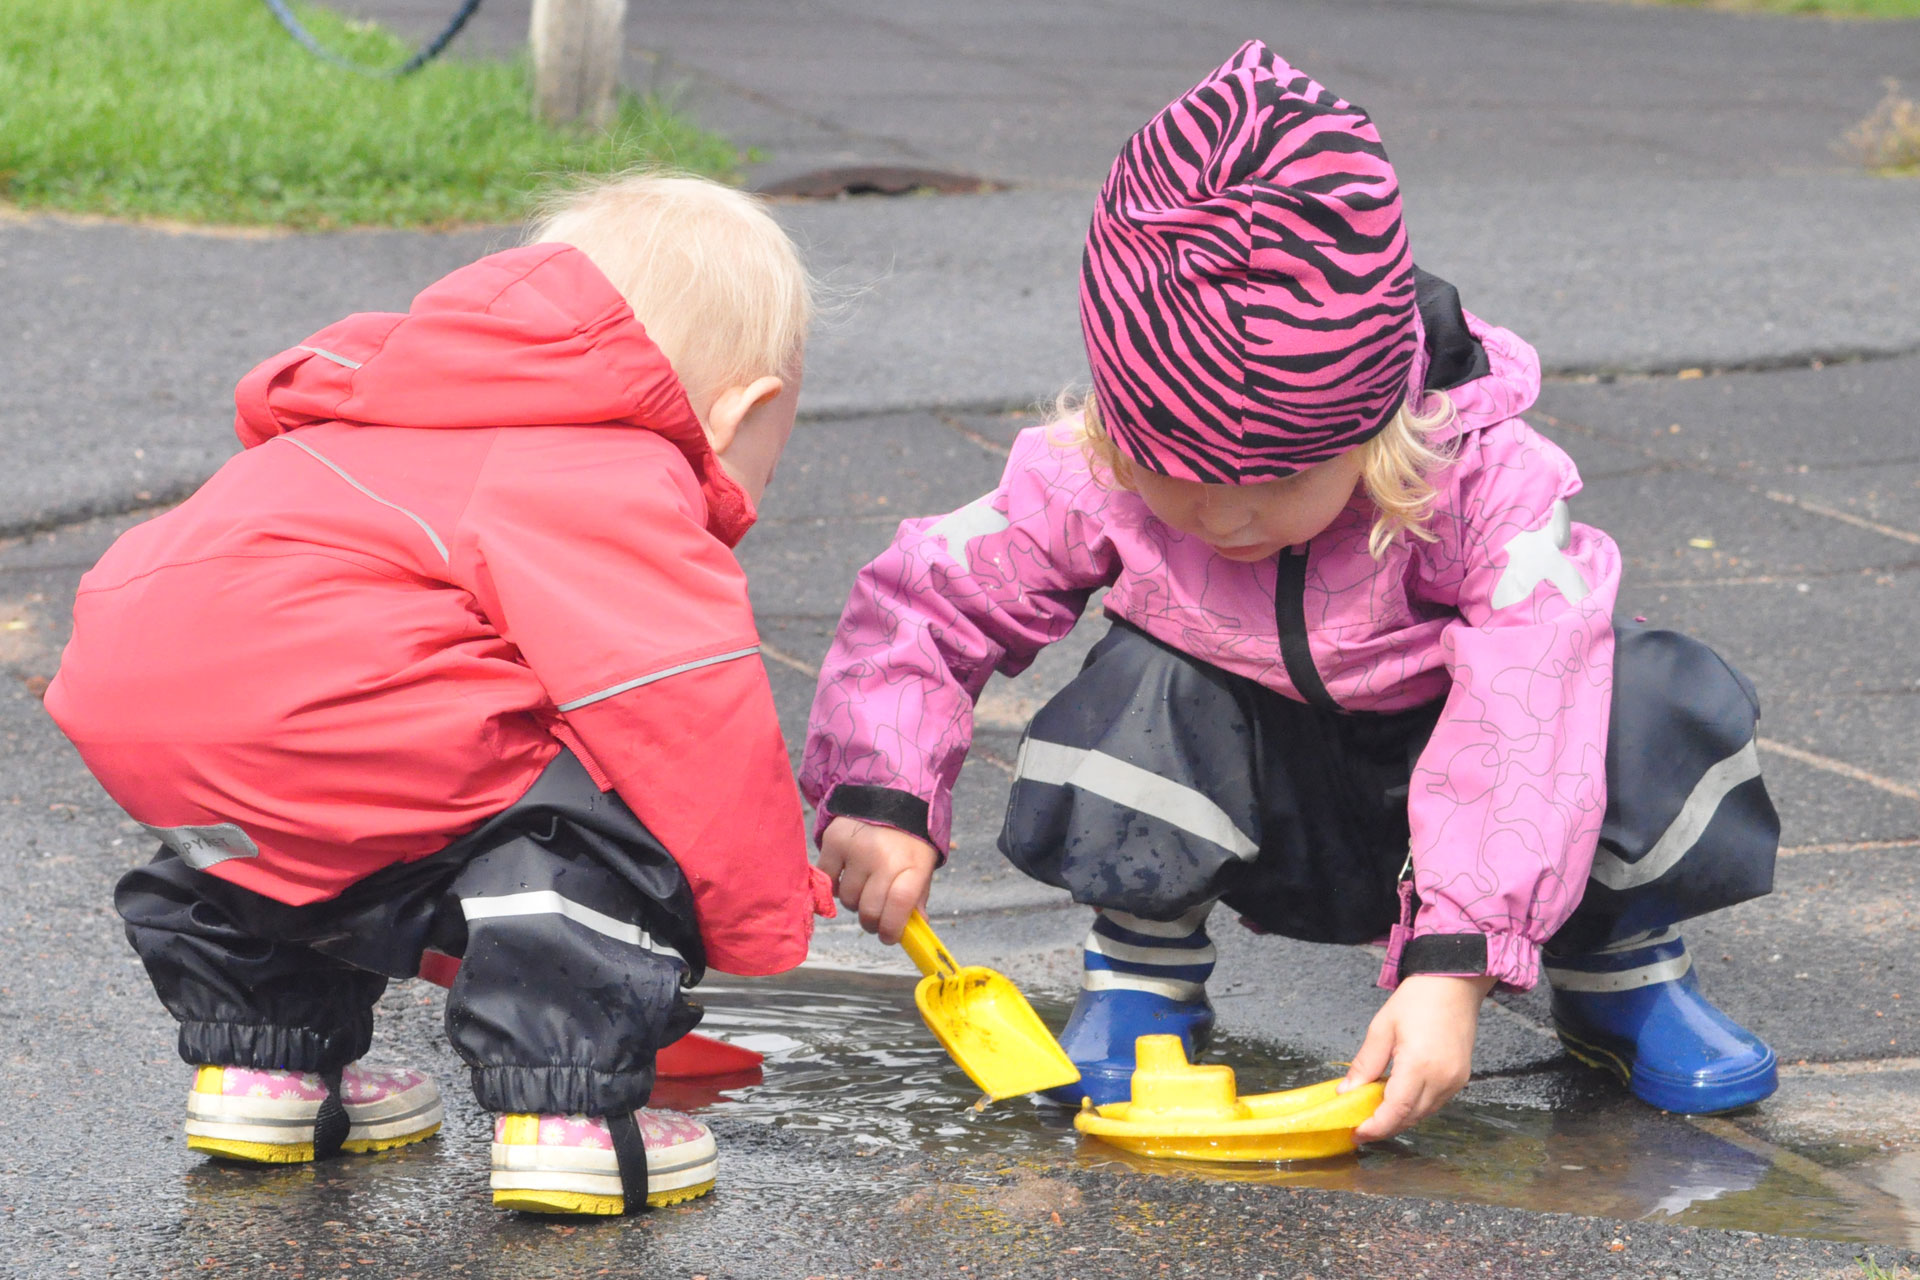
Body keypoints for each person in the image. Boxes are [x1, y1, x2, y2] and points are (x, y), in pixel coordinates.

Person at [801, 43, 1779, 1142]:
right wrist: (880, 793)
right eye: (1177, 472)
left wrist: (1453, 962)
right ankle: (1142, 972)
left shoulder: (1481, 483)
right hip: (1266, 802)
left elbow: (1524, 707)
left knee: (1624, 696)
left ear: (1372, 427)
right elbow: (929, 600)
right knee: (1144, 678)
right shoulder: (1095, 468)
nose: (1223, 516)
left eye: (1273, 483)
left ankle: (1619, 969)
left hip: (1465, 800)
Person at [45, 172, 832, 1215]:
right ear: (744, 411)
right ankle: (571, 1119)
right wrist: (758, 911)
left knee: (296, 838)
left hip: (146, 700)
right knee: (605, 797)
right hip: (326, 703)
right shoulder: (608, 463)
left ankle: (266, 1069)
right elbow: (684, 710)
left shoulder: (366, 417)